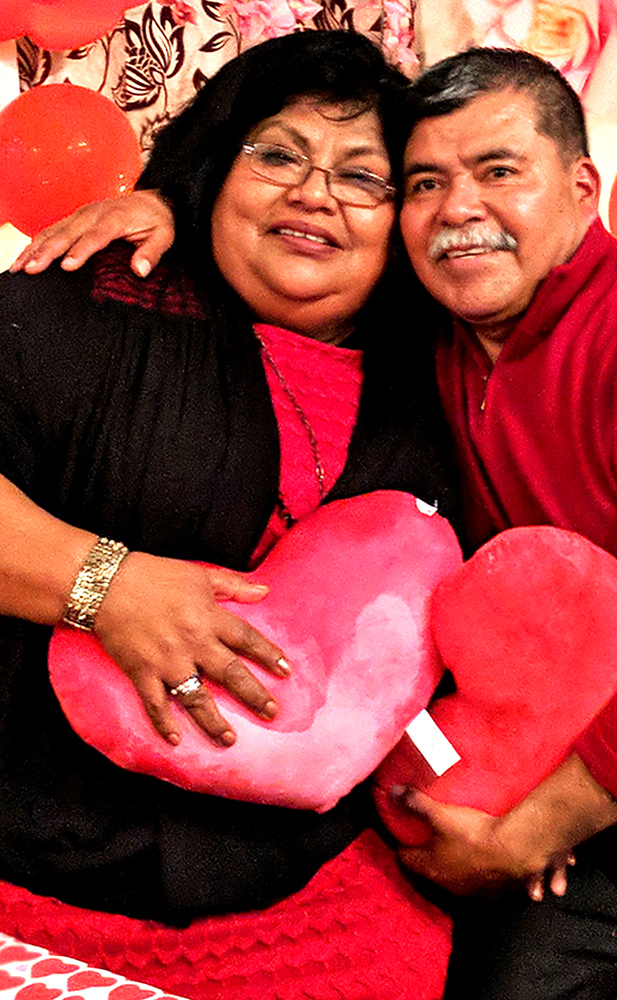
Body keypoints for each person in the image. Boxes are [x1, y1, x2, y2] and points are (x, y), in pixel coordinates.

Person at [34, 44, 617, 1000]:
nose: (460, 209)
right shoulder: (442, 342)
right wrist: (170, 204)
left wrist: (533, 826)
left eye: (499, 172)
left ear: (582, 188)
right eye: (427, 181)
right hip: (575, 803)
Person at [0, 29, 456, 997]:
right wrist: (102, 584)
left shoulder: (435, 395)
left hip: (306, 882)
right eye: (278, 154)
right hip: (32, 859)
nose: (314, 192)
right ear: (217, 169)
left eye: (362, 176)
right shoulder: (91, 297)